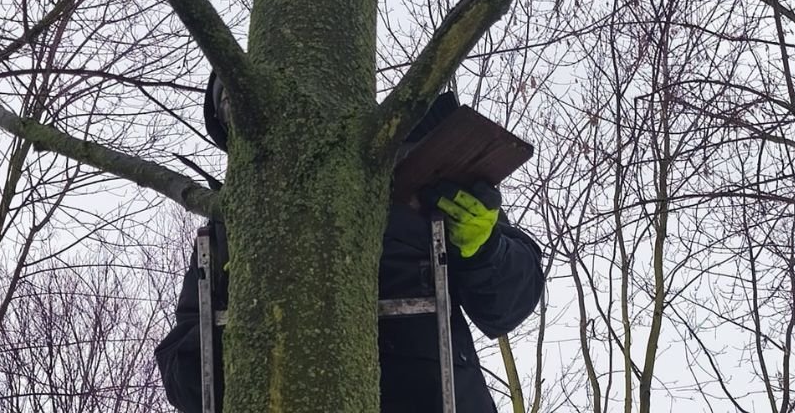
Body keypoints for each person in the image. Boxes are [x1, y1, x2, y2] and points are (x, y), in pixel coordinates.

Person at [155, 74, 545, 412]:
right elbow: (186, 380)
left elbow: (507, 306)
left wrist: (486, 249)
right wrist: (245, 307)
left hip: (430, 397)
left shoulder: (414, 175)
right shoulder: (230, 231)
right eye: (231, 106)